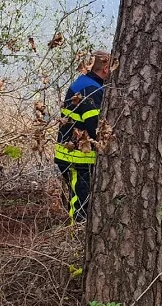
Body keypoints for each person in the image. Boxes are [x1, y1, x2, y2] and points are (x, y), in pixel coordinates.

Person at [54, 51, 110, 222]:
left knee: (79, 199)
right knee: (80, 204)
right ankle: (75, 239)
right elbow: (94, 125)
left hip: (73, 154)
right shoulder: (92, 89)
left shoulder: (83, 83)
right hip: (77, 158)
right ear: (106, 69)